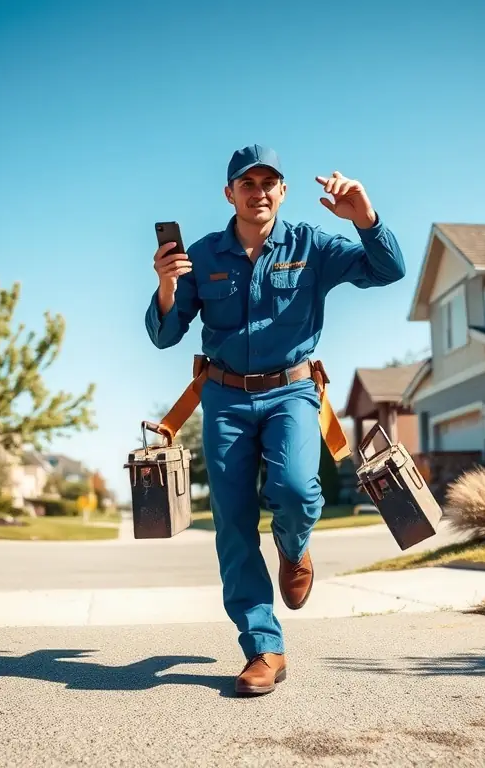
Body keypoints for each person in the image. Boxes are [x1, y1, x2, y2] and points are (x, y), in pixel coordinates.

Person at [144, 144, 405, 696]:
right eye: (247, 183)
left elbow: (388, 271)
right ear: (229, 193)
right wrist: (167, 285)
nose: (258, 192)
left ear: (281, 191)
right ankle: (263, 646)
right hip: (223, 398)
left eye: (269, 183)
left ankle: (294, 545)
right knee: (233, 523)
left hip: (292, 393)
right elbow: (166, 334)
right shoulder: (205, 254)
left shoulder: (311, 245)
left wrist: (364, 217)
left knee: (294, 490)